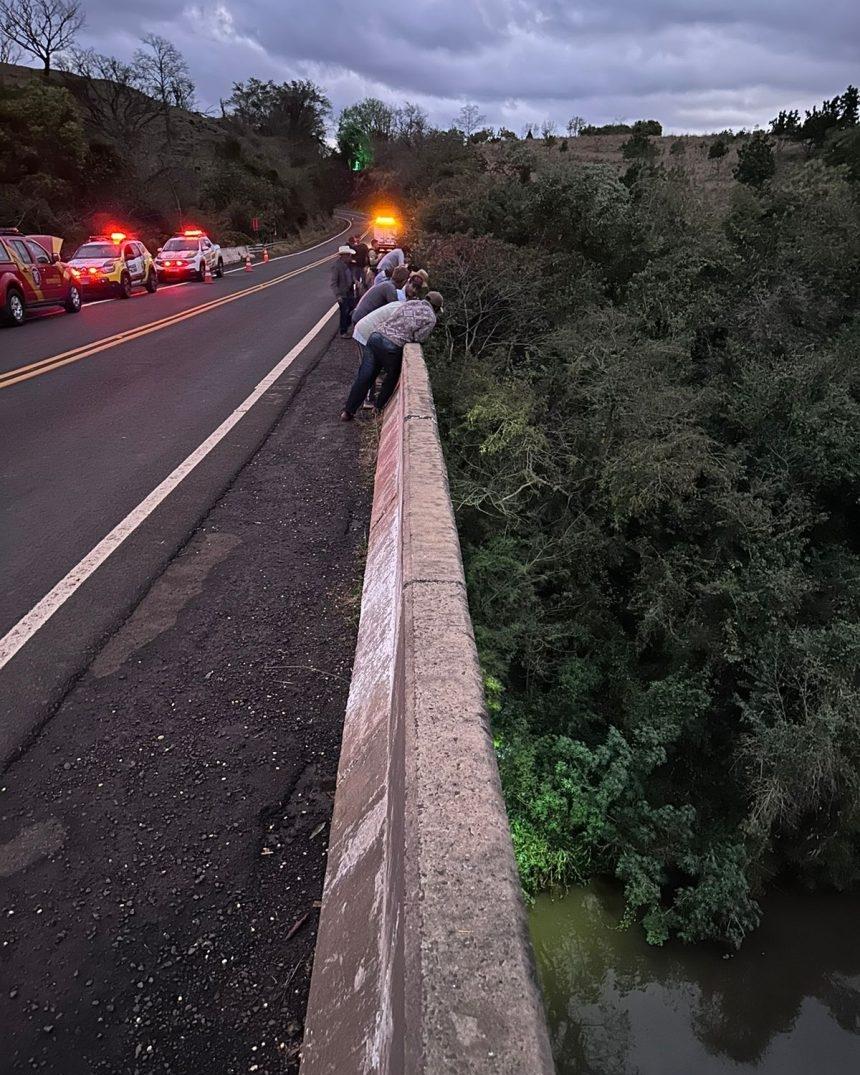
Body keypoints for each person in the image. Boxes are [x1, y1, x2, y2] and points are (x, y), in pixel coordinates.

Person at [341, 291, 443, 420]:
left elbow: (393, 317)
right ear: (436, 308)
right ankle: (377, 408)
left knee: (365, 376)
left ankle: (348, 411)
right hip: (392, 347)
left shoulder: (410, 303)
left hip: (376, 337)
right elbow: (419, 337)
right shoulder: (431, 318)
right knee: (391, 378)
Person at [331, 245, 356, 336]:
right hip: (343, 294)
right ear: (343, 256)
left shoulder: (348, 265)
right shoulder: (337, 266)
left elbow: (350, 276)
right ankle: (343, 331)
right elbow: (334, 283)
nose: (350, 257)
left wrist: (355, 281)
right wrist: (338, 295)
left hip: (350, 291)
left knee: (351, 309)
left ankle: (347, 326)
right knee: (344, 312)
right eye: (348, 255)